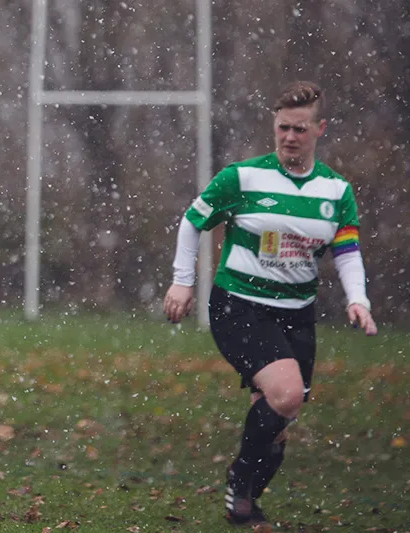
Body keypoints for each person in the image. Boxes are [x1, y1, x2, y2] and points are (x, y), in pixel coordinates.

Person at [162, 81, 377, 527]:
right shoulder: (243, 178)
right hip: (239, 305)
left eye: (300, 129)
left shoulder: (335, 191)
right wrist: (183, 282)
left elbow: (347, 250)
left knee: (281, 416)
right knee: (286, 394)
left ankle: (246, 498)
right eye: (283, 128)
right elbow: (193, 221)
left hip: (297, 313)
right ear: (274, 126)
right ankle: (240, 482)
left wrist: (358, 299)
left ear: (320, 129)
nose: (289, 137)